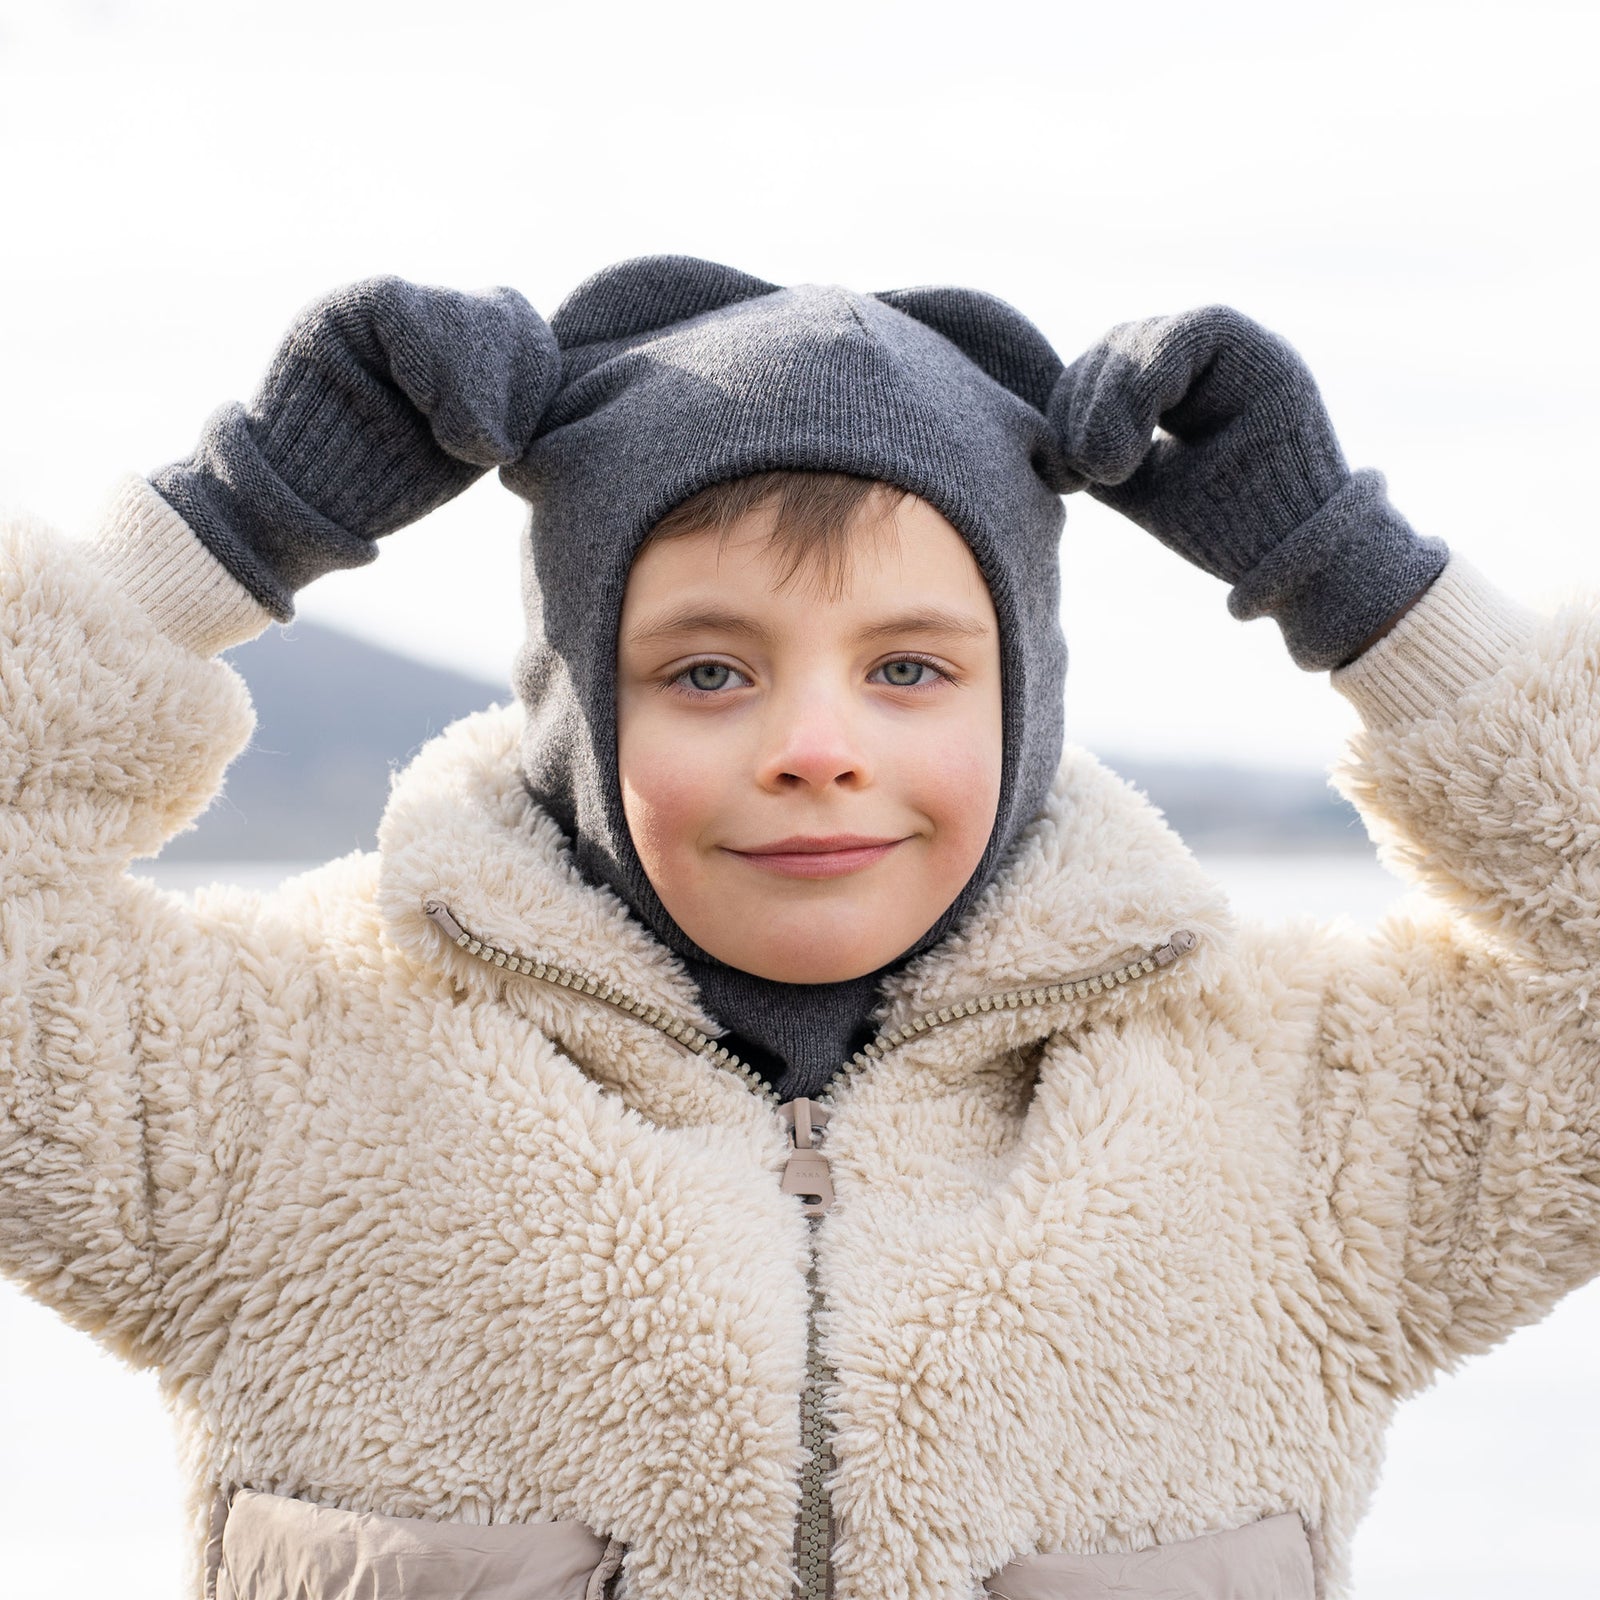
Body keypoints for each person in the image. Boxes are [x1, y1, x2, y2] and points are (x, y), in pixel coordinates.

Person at [2, 255, 1596, 1600]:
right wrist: (229, 525)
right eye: (708, 670)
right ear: (573, 700)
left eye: (908, 667)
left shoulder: (1307, 1119)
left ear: (1025, 703)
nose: (815, 744)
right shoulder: (270, 1087)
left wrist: (1359, 583)